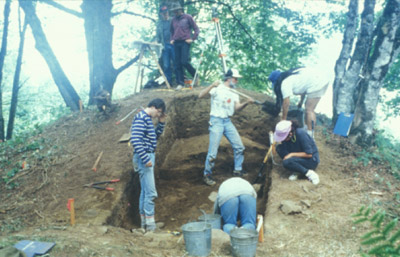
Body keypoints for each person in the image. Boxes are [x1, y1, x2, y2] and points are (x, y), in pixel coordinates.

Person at [199, 68, 254, 186]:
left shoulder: (234, 92)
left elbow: (237, 108)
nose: (237, 81)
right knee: (213, 152)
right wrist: (212, 85)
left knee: (239, 147)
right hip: (216, 121)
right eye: (235, 78)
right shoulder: (217, 88)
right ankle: (207, 174)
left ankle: (238, 170)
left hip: (227, 121)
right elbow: (200, 95)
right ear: (229, 79)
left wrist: (246, 103)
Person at [130, 98, 167, 232]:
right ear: (152, 106)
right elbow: (135, 139)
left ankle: (145, 225)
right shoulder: (141, 118)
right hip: (143, 157)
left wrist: (161, 123)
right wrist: (146, 159)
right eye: (158, 112)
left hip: (147, 155)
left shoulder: (147, 119)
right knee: (151, 193)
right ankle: (151, 227)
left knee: (145, 192)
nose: (158, 115)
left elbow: (154, 137)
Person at [268, 67, 330, 138]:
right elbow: (304, 87)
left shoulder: (285, 83)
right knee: (309, 109)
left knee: (309, 110)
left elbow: (286, 103)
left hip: (318, 82)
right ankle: (308, 130)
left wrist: (283, 119)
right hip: (320, 78)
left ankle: (310, 136)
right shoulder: (292, 74)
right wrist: (301, 102)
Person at [273, 120, 320, 185]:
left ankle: (309, 173)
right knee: (279, 148)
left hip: (311, 160)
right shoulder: (289, 136)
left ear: (290, 133)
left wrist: (291, 154)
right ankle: (297, 168)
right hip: (299, 153)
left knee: (286, 162)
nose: (282, 139)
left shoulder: (301, 134)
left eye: (283, 137)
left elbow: (309, 154)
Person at [169, 3, 199, 87]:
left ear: (180, 10)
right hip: (176, 43)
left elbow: (196, 29)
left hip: (185, 42)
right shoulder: (173, 20)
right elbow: (171, 31)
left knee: (184, 61)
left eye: (176, 11)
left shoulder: (188, 17)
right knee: (177, 63)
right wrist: (171, 39)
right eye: (174, 11)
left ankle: (195, 74)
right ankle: (180, 83)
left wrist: (192, 39)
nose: (175, 13)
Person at [156, 4, 176, 86]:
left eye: (166, 12)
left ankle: (179, 81)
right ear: (161, 14)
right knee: (166, 65)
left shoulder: (173, 20)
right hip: (164, 46)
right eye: (163, 13)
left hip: (174, 44)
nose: (165, 14)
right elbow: (158, 36)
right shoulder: (159, 24)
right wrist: (158, 43)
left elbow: (178, 31)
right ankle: (169, 83)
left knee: (176, 63)